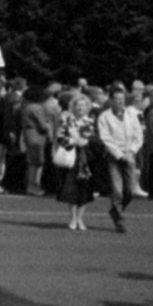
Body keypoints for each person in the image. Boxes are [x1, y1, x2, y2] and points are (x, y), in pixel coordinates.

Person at [97, 83, 144, 233]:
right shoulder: (104, 117)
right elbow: (106, 138)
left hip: (129, 154)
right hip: (113, 156)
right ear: (111, 100)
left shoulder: (132, 115)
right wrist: (119, 154)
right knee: (117, 191)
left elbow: (138, 136)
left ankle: (115, 211)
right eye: (117, 99)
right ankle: (119, 220)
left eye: (122, 99)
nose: (120, 102)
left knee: (130, 191)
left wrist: (131, 151)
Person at [55, 92, 98, 230]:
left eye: (83, 106)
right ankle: (73, 218)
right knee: (72, 189)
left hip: (87, 159)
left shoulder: (91, 122)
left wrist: (87, 142)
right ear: (73, 107)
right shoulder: (68, 121)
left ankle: (80, 219)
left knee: (85, 190)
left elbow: (97, 140)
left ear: (87, 108)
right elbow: (60, 137)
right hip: (72, 158)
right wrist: (73, 141)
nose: (80, 108)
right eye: (78, 106)